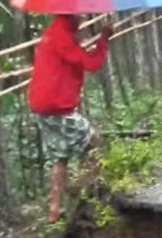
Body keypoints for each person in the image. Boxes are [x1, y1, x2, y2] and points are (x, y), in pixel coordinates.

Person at [28, 14, 111, 223]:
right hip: (57, 107)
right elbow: (91, 64)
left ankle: (54, 209)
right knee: (92, 141)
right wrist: (104, 39)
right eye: (79, 15)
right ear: (71, 16)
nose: (82, 19)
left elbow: (73, 62)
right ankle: (91, 194)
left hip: (42, 106)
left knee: (60, 155)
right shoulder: (61, 37)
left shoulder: (53, 34)